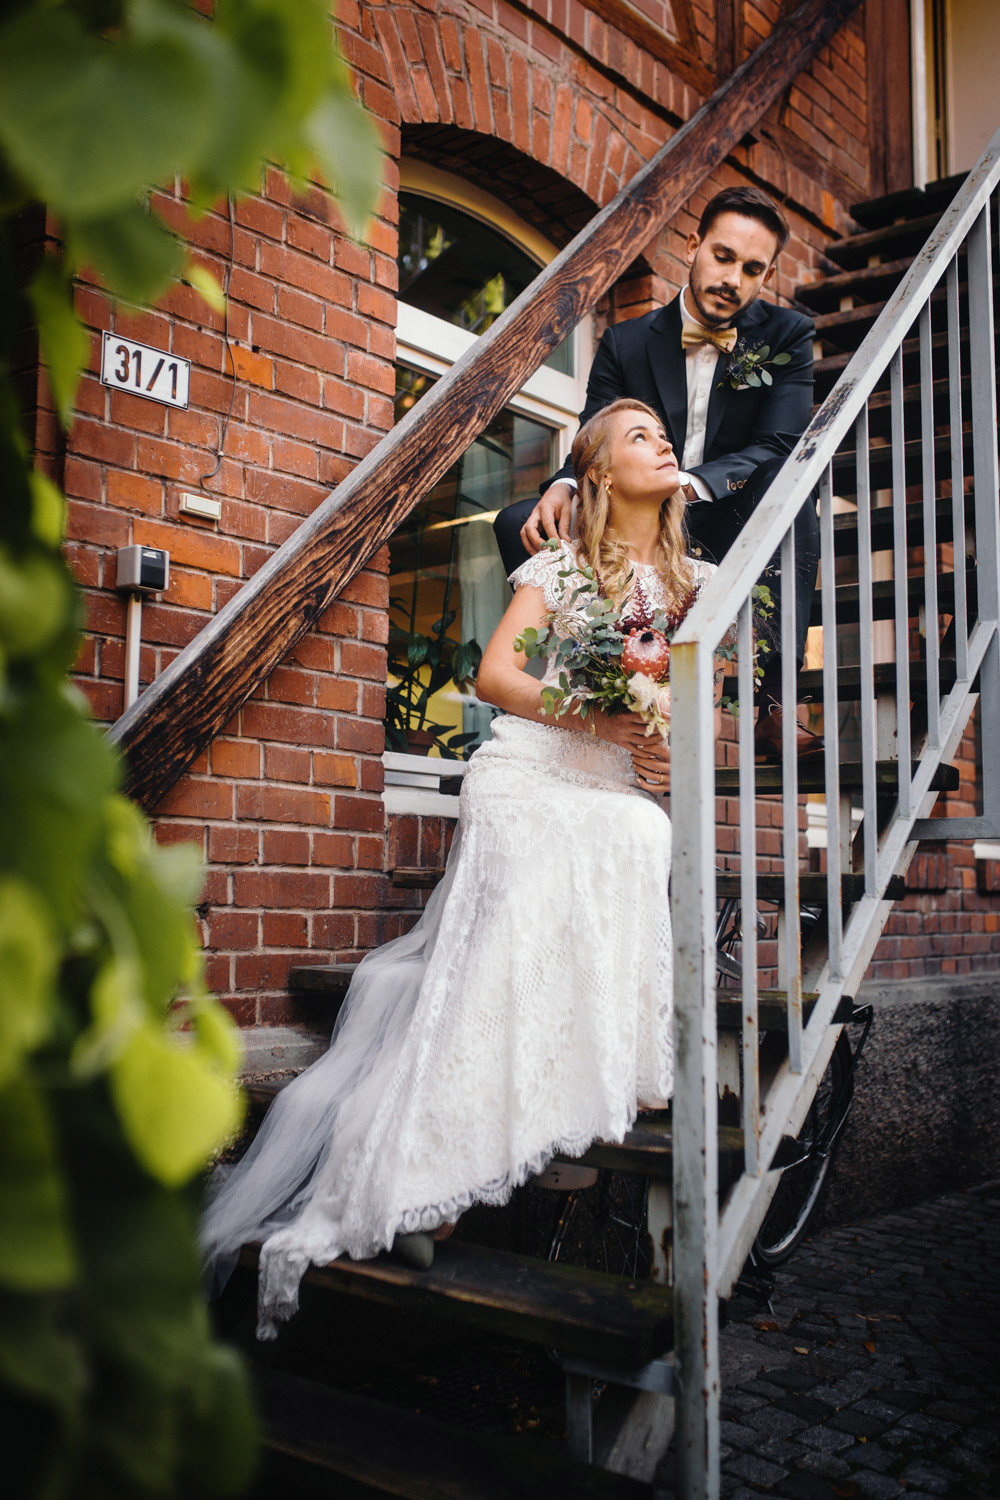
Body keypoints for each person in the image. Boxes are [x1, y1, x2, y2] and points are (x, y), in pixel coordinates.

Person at [201, 399, 712, 1338]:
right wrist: (600, 718)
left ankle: (597, 1076)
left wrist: (659, 743)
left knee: (640, 830)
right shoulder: (562, 563)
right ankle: (418, 1177)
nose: (663, 442)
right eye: (639, 435)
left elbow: (697, 714)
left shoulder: (696, 587)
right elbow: (497, 678)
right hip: (528, 771)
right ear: (597, 471)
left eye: (664, 434)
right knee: (610, 846)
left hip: (608, 785)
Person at [494, 185, 821, 761]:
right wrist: (566, 484)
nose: (732, 280)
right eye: (722, 256)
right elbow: (596, 432)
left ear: (767, 276)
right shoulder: (626, 341)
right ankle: (584, 678)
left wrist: (685, 485)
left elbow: (779, 444)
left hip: (724, 520)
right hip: (634, 521)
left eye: (751, 269)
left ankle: (775, 704)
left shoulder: (786, 336)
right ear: (693, 246)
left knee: (791, 485)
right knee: (520, 521)